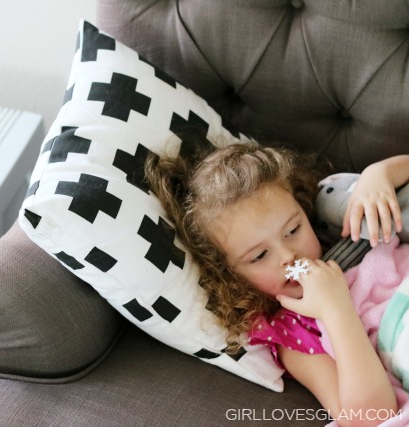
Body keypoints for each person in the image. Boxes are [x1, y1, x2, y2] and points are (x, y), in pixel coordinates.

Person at [145, 134, 409, 426]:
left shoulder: (346, 230)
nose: (289, 256)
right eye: (259, 256)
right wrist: (336, 309)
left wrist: (378, 175)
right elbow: (369, 417)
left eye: (293, 230)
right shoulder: (293, 335)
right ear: (231, 276)